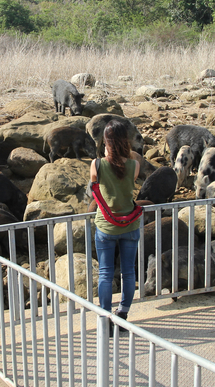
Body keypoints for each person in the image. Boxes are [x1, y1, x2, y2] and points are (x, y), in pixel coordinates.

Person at [90, 120, 143, 330]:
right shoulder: (135, 165)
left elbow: (94, 184)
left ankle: (105, 317)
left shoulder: (97, 164)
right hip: (129, 226)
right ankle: (122, 313)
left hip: (106, 226)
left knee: (105, 272)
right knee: (128, 272)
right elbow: (130, 178)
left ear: (106, 142)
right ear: (125, 141)